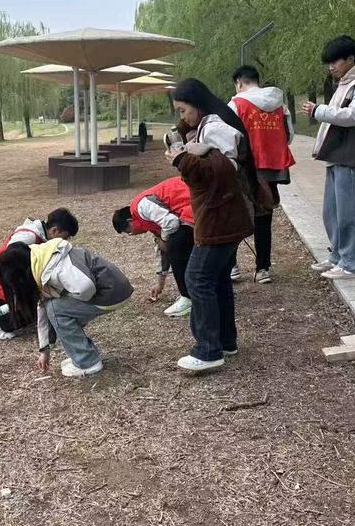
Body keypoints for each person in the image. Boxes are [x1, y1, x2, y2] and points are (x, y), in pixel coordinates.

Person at [166, 78, 265, 373]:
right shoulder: (209, 124)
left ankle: (208, 350)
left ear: (197, 104)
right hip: (224, 213)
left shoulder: (216, 127)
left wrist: (181, 159)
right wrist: (185, 142)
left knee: (197, 278)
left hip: (219, 215)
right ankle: (225, 341)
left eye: (183, 110)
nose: (182, 116)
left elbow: (221, 171)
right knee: (217, 278)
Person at [300, 36, 355, 280]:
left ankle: (350, 263)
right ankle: (338, 256)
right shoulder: (346, 82)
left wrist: (319, 110)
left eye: (335, 61)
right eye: (329, 62)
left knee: (350, 214)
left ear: (351, 59)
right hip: (337, 154)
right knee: (332, 212)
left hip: (352, 155)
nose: (331, 67)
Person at [0, 239, 133, 378]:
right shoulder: (42, 260)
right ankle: (83, 356)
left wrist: (62, 295)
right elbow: (42, 310)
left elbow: (86, 288)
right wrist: (44, 351)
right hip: (113, 288)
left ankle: (87, 362)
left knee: (56, 308)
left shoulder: (55, 269)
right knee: (53, 307)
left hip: (112, 292)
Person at [228, 65, 296, 284]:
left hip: (245, 169)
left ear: (239, 83)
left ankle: (232, 266)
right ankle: (263, 268)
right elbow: (289, 136)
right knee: (264, 216)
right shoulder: (279, 104)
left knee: (236, 214)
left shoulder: (236, 104)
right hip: (272, 169)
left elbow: (228, 138)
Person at [0, 208, 80, 340]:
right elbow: (11, 261)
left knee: (43, 311)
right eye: (65, 237)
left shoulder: (39, 236)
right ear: (54, 231)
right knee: (34, 314)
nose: (65, 242)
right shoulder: (27, 237)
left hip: (6, 286)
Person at [112, 175, 195, 318]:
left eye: (129, 232)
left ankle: (188, 297)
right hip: (190, 208)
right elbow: (162, 252)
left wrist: (164, 239)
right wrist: (159, 285)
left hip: (195, 201)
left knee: (176, 244)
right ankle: (195, 291)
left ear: (130, 221)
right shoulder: (150, 223)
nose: (133, 234)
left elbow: (172, 223)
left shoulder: (142, 206)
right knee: (174, 243)